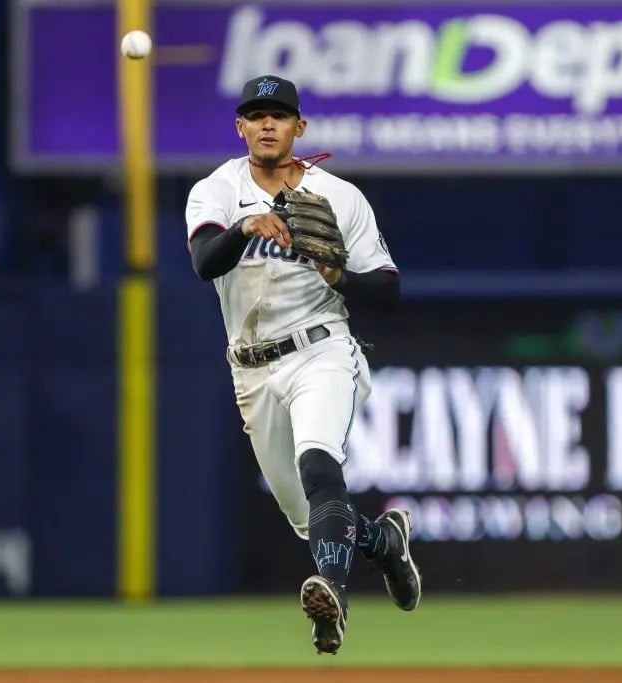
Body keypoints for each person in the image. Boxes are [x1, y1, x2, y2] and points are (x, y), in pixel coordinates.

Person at [184, 74, 421, 655]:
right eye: (255, 115)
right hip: (252, 367)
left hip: (322, 349)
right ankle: (384, 544)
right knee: (307, 516)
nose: (267, 124)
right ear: (240, 127)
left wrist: (339, 276)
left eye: (279, 115)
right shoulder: (216, 190)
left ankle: (332, 597)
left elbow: (388, 290)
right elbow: (205, 262)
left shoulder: (339, 197)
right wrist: (245, 226)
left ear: (299, 127)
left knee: (319, 465)